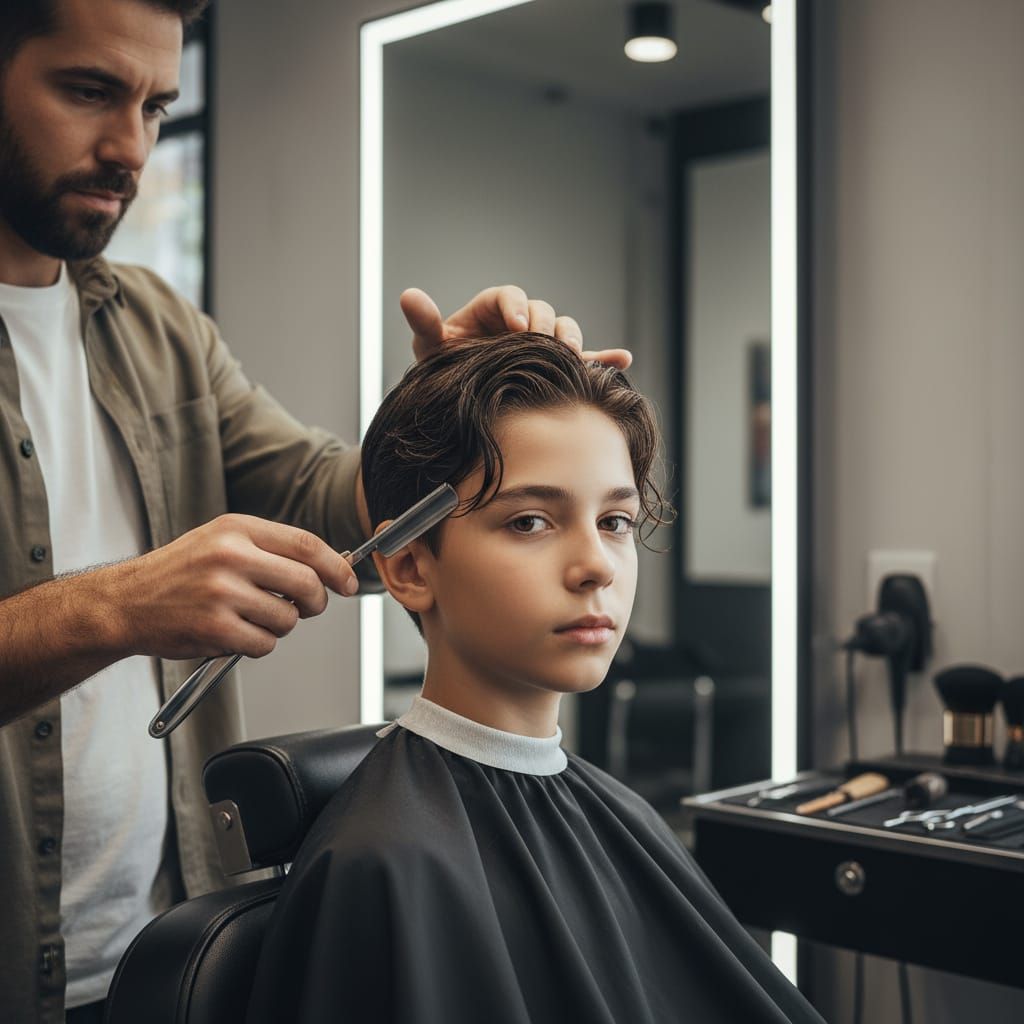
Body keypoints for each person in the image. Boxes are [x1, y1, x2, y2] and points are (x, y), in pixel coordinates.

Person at [0, 2, 629, 1020]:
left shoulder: (159, 331)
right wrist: (113, 607)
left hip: (159, 965)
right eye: (88, 91)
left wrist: (450, 420)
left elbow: (335, 502)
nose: (130, 148)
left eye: (156, 107)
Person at [246, 334, 825, 1024]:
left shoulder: (627, 815)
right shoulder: (381, 866)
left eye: (615, 521)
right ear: (408, 567)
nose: (597, 565)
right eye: (529, 521)